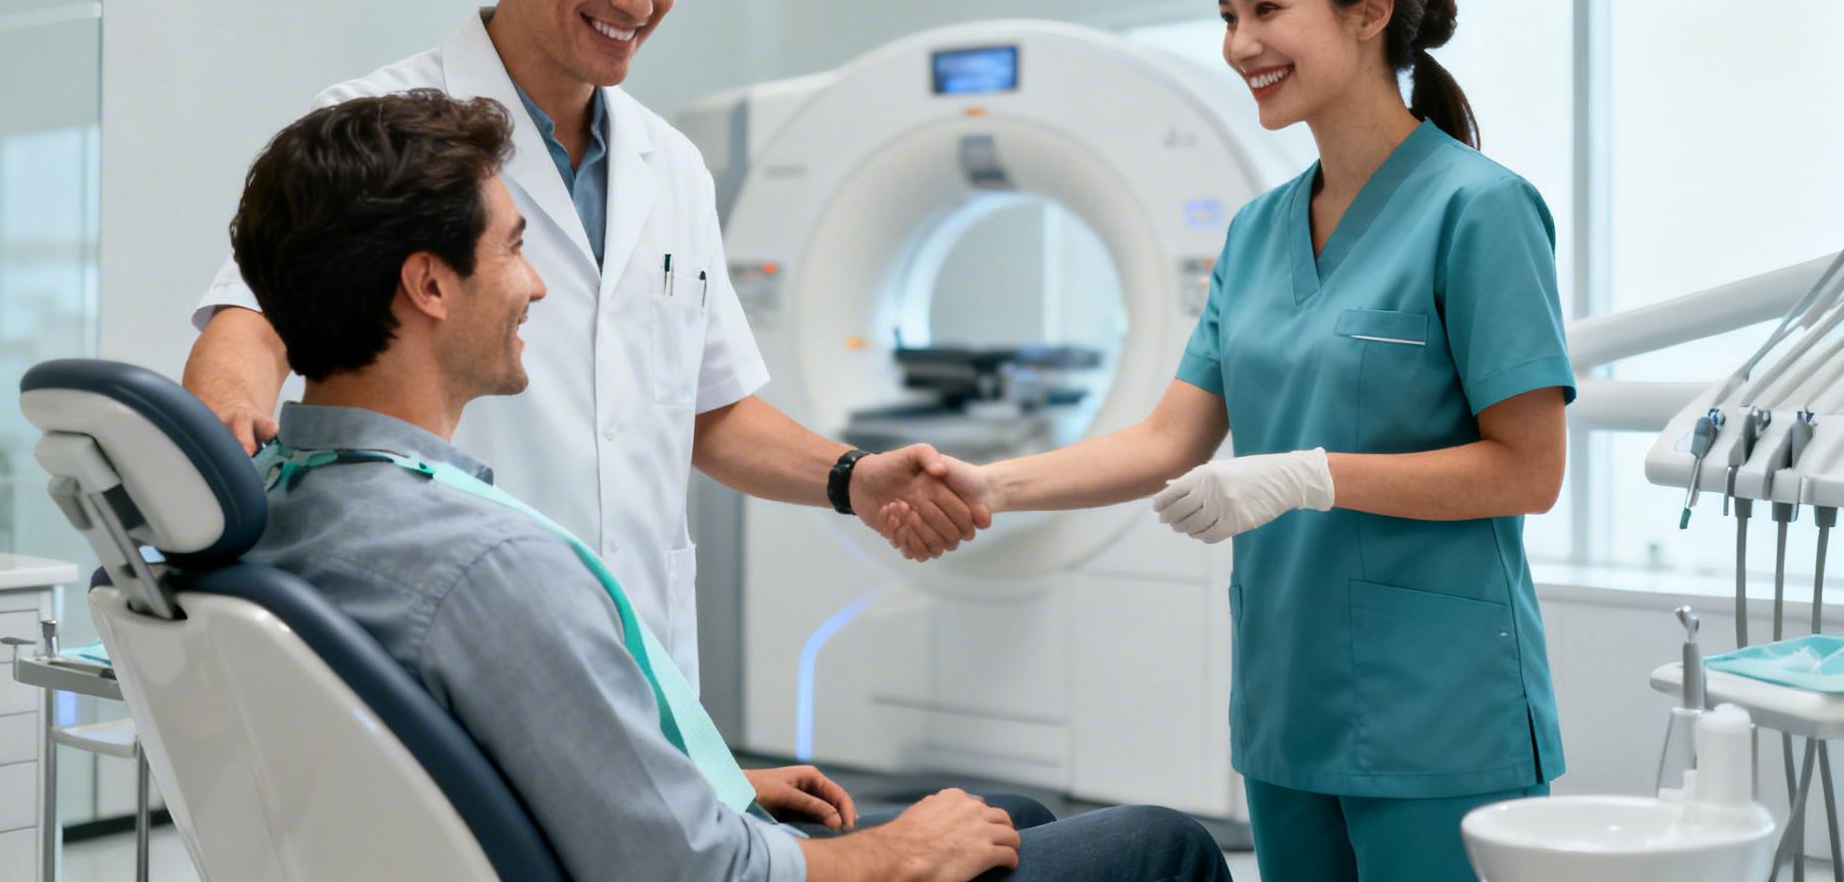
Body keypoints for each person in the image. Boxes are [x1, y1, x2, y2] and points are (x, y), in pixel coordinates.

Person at [229, 89, 1231, 882]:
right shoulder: (484, 566)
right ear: (430, 286)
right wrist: (891, 854)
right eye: (515, 249)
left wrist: (692, 773)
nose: (534, 285)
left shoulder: (292, 509)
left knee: (1013, 822)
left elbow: (460, 768)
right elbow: (687, 870)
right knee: (1156, 846)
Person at [183, 0, 979, 687]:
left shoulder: (671, 166)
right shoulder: (375, 127)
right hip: (462, 618)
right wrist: (219, 451)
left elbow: (710, 410)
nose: (638, 0)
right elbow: (252, 319)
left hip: (640, 642)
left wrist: (854, 478)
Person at [925, 0, 1573, 882]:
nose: (1237, 44)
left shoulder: (1478, 210)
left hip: (1434, 705)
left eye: (1266, 9)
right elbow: (1166, 441)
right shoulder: (1257, 230)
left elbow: (1525, 472)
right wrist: (996, 486)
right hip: (1286, 690)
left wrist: (1307, 475)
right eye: (1227, 16)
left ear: (1368, 11)